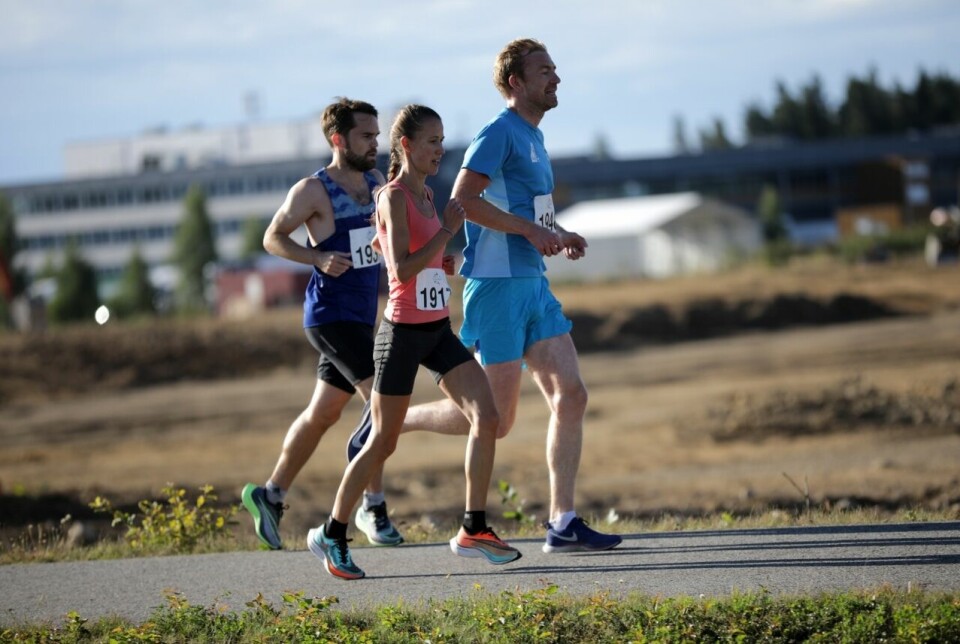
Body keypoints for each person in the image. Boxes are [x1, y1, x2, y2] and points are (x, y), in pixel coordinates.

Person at [349, 38, 621, 554]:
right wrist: (530, 232)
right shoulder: (498, 133)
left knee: (573, 394)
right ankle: (391, 420)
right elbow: (463, 201)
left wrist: (556, 233)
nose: (556, 77)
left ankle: (562, 520)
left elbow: (528, 212)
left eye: (556, 68)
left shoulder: (535, 137)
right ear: (515, 82)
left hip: (532, 284)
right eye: (545, 70)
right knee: (495, 418)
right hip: (495, 288)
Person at [307, 104, 522, 580]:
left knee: (488, 416)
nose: (440, 150)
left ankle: (474, 528)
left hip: (437, 330)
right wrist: (446, 232)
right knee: (382, 441)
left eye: (443, 141)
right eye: (431, 141)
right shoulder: (394, 196)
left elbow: (418, 264)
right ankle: (333, 533)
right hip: (401, 335)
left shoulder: (428, 194)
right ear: (405, 146)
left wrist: (441, 260)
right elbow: (400, 269)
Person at [239, 97, 403, 550]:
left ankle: (269, 494)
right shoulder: (312, 190)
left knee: (325, 413)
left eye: (377, 135)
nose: (375, 144)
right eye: (366, 136)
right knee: (383, 403)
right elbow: (272, 237)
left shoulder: (375, 183)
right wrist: (314, 256)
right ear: (338, 139)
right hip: (328, 316)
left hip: (362, 316)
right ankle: (373, 507)